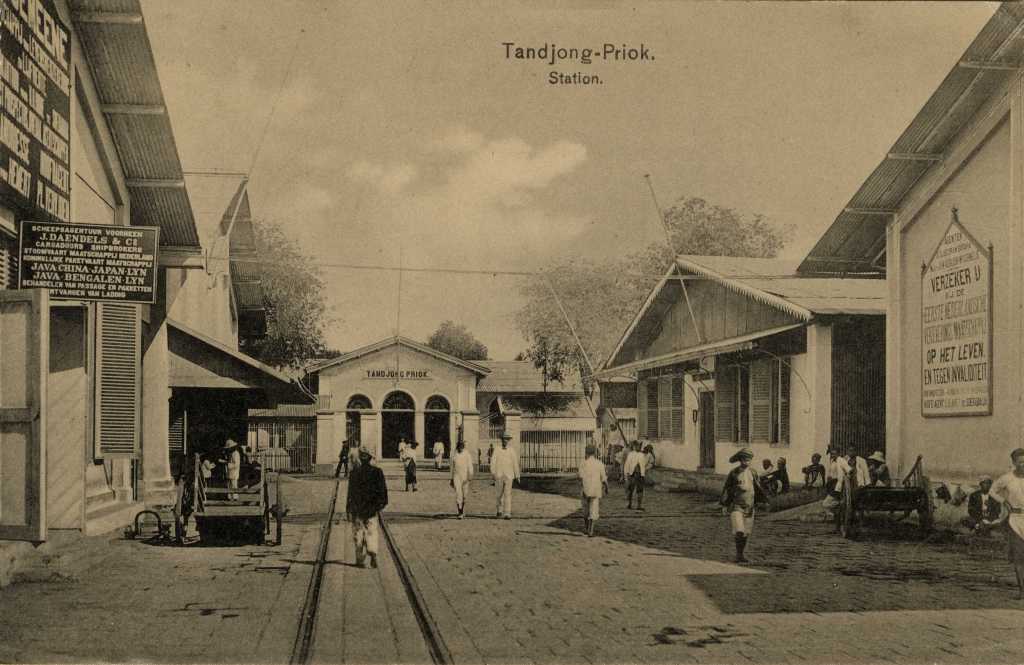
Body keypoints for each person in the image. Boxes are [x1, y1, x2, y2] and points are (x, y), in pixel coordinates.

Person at [719, 448, 767, 563]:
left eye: (749, 460)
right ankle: (738, 554)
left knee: (745, 533)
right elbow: (727, 488)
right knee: (739, 530)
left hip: (749, 507)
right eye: (744, 460)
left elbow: (758, 488)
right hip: (737, 506)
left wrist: (763, 501)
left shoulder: (753, 472)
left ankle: (741, 555)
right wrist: (725, 505)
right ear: (740, 460)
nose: (747, 462)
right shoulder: (734, 473)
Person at [345, 446, 389, 569]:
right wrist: (381, 504)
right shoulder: (377, 472)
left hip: (358, 508)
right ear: (370, 458)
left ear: (360, 458)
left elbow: (350, 493)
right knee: (372, 531)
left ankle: (360, 560)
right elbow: (383, 490)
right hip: (371, 508)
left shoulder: (354, 473)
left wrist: (348, 509)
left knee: (358, 534)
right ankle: (373, 552)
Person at [991, 448, 1024, 599]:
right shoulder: (1007, 478)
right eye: (1020, 462)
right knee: (1018, 557)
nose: (1023, 465)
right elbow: (992, 490)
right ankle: (1022, 591)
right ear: (1014, 463)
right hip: (1015, 520)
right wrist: (1003, 501)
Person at [578, 444, 608, 537]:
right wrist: (606, 487)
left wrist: (583, 485)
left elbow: (580, 477)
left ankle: (587, 528)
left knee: (585, 510)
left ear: (586, 453)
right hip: (596, 489)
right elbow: (604, 478)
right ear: (595, 453)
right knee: (593, 509)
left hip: (585, 489)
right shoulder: (600, 463)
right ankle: (590, 531)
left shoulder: (583, 463)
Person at [491, 432, 520, 519]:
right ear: (501, 440)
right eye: (504, 439)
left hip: (509, 475)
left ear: (508, 440)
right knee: (499, 494)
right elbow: (493, 462)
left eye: (507, 439)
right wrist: (493, 473)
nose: (505, 441)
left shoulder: (512, 450)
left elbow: (515, 463)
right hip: (499, 475)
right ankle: (499, 511)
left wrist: (517, 475)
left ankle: (507, 513)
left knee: (508, 494)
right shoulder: (497, 450)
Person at [450, 440, 474, 518]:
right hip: (456, 476)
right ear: (457, 447)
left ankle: (463, 509)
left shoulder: (467, 454)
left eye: (461, 446)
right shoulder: (454, 455)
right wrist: (451, 478)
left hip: (465, 476)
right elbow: (452, 468)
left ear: (463, 446)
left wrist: (470, 475)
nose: (460, 448)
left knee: (464, 495)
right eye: (459, 446)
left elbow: (470, 466)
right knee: (458, 493)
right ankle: (459, 511)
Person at [623, 440, 647, 510]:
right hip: (632, 474)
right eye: (636, 446)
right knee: (630, 490)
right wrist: (626, 474)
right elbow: (627, 464)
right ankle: (629, 504)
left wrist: (642, 474)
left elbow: (643, 465)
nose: (638, 447)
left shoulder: (642, 455)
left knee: (640, 490)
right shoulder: (631, 454)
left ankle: (639, 505)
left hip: (640, 475)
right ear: (633, 446)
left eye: (639, 446)